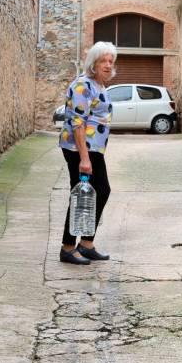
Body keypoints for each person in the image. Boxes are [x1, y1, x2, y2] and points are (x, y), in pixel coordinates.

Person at [58, 41, 116, 265]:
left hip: (94, 150)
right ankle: (68, 246)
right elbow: (77, 122)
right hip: (79, 149)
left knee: (100, 191)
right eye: (103, 61)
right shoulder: (83, 85)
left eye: (111, 61)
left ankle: (87, 243)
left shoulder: (100, 86)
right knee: (81, 193)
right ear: (93, 63)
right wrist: (84, 158)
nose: (108, 65)